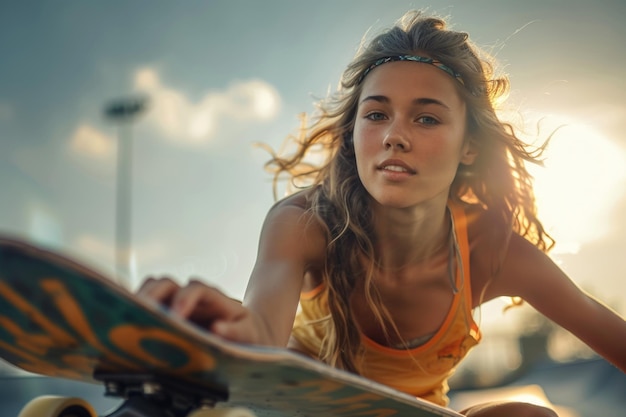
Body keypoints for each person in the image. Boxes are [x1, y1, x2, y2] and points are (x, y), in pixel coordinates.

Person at [138, 10, 626, 417]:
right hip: (299, 413)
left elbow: (607, 333)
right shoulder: (304, 222)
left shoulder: (492, 252)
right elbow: (262, 334)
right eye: (376, 114)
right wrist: (230, 334)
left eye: (427, 117)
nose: (394, 134)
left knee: (530, 415)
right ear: (354, 133)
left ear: (470, 147)